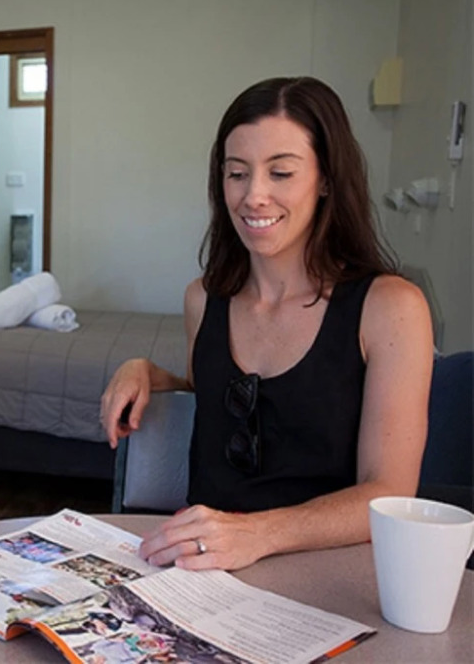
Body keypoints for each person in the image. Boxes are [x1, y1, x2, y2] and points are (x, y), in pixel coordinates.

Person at [100, 76, 433, 572]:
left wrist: (256, 533)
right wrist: (146, 370)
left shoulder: (390, 307)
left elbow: (389, 492)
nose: (254, 195)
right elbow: (216, 398)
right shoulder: (202, 299)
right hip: (201, 572)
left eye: (281, 173)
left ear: (326, 179)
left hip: (325, 572)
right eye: (237, 173)